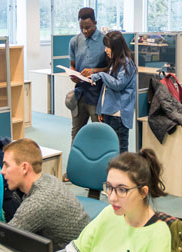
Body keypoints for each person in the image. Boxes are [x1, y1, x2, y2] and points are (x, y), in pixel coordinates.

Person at [52, 149, 171, 252]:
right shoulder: (110, 213)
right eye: (109, 187)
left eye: (122, 189)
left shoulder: (158, 234)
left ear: (143, 192)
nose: (112, 197)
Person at [1, 138, 90, 250]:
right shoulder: (48, 179)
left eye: (6, 165)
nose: (2, 171)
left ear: (24, 167)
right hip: (84, 247)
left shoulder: (38, 203)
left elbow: (4, 240)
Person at [63, 7, 108, 183]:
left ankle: (102, 175)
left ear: (95, 22)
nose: (85, 31)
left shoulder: (105, 40)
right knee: (77, 133)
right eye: (82, 27)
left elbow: (110, 68)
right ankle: (73, 172)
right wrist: (73, 74)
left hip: (98, 94)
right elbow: (72, 65)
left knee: (100, 134)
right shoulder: (74, 41)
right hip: (80, 92)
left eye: (88, 27)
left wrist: (95, 71)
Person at [91, 31, 137, 153]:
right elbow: (106, 89)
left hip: (118, 114)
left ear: (116, 47)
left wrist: (101, 75)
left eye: (108, 47)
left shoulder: (127, 63)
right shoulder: (114, 63)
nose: (106, 50)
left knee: (120, 151)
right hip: (109, 111)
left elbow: (118, 85)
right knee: (109, 149)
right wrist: (101, 109)